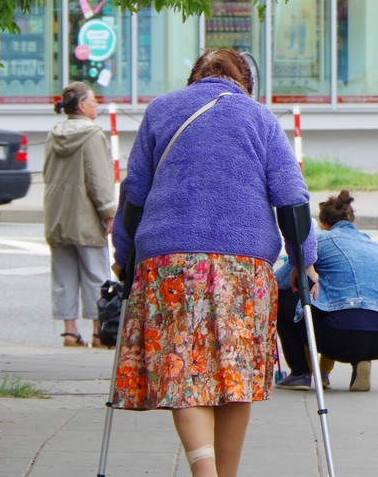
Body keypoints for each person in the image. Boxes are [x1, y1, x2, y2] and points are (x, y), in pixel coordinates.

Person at [110, 49, 316, 477]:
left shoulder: (161, 109)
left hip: (169, 263)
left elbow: (134, 194)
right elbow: (292, 198)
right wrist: (303, 259)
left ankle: (205, 473)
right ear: (245, 83)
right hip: (244, 270)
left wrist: (124, 256)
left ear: (195, 78)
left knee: (183, 369)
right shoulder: (260, 118)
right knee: (236, 374)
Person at [274, 190, 378, 393]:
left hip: (340, 334)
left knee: (284, 296)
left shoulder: (321, 240)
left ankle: (300, 373)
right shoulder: (374, 245)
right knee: (342, 302)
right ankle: (360, 361)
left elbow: (279, 281)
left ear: (323, 225)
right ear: (351, 220)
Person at [44, 82, 116, 349]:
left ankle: (70, 333)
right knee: (95, 274)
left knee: (62, 276)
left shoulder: (54, 133)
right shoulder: (92, 135)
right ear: (82, 106)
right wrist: (109, 213)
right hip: (85, 217)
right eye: (93, 101)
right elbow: (99, 180)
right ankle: (99, 333)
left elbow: (47, 173)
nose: (97, 105)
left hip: (57, 215)